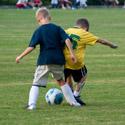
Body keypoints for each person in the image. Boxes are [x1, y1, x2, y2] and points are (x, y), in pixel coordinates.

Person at [16, 7, 81, 110]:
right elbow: (67, 40)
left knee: (36, 83)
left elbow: (31, 47)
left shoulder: (39, 30)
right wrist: (72, 54)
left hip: (44, 60)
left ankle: (32, 105)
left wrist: (20, 56)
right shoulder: (57, 28)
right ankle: (73, 102)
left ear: (39, 19)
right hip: (58, 60)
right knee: (61, 81)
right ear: (49, 17)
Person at [63, 18, 118, 106]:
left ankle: (70, 98)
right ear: (85, 28)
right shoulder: (83, 33)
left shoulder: (67, 30)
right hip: (76, 62)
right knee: (84, 75)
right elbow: (101, 41)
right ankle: (76, 95)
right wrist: (112, 45)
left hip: (64, 61)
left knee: (68, 76)